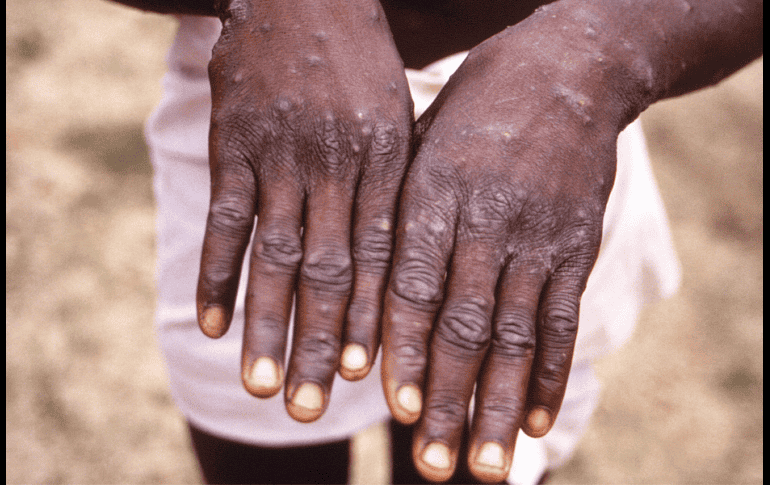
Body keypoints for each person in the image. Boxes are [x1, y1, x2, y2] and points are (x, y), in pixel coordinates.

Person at [113, 0, 762, 483]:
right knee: (260, 444)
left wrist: (602, 52)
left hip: (541, 138)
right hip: (278, 104)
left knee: (477, 450)